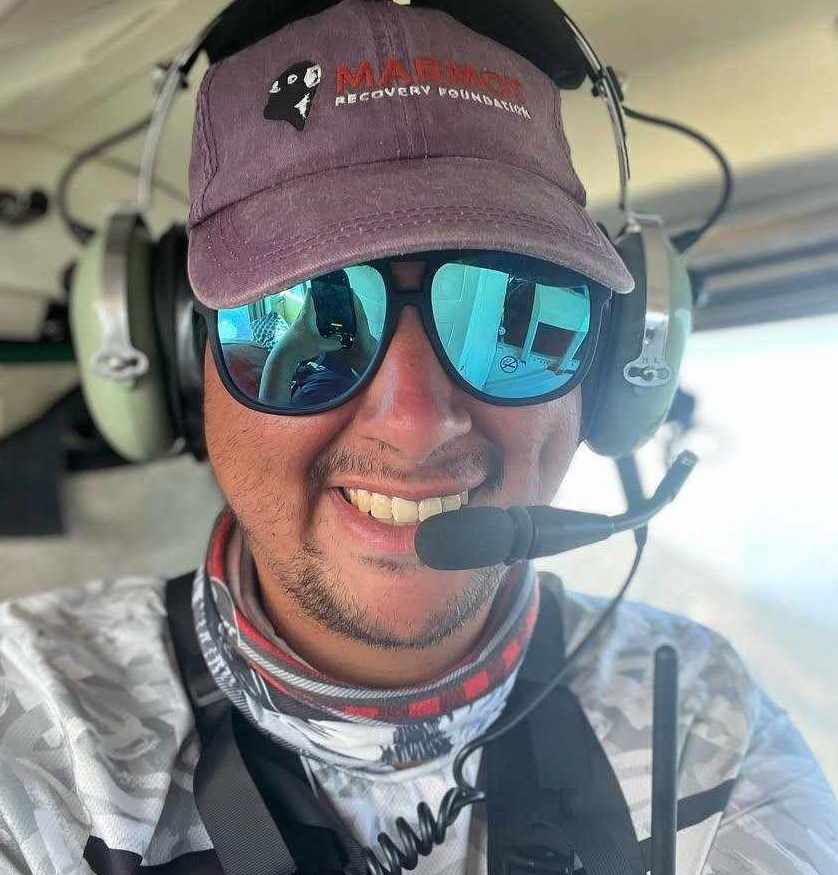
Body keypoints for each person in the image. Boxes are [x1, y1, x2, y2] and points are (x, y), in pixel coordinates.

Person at [1, 2, 836, 873]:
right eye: (307, 313)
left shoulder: (702, 727)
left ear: (614, 360)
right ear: (182, 358)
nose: (417, 420)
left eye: (516, 314)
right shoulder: (32, 727)